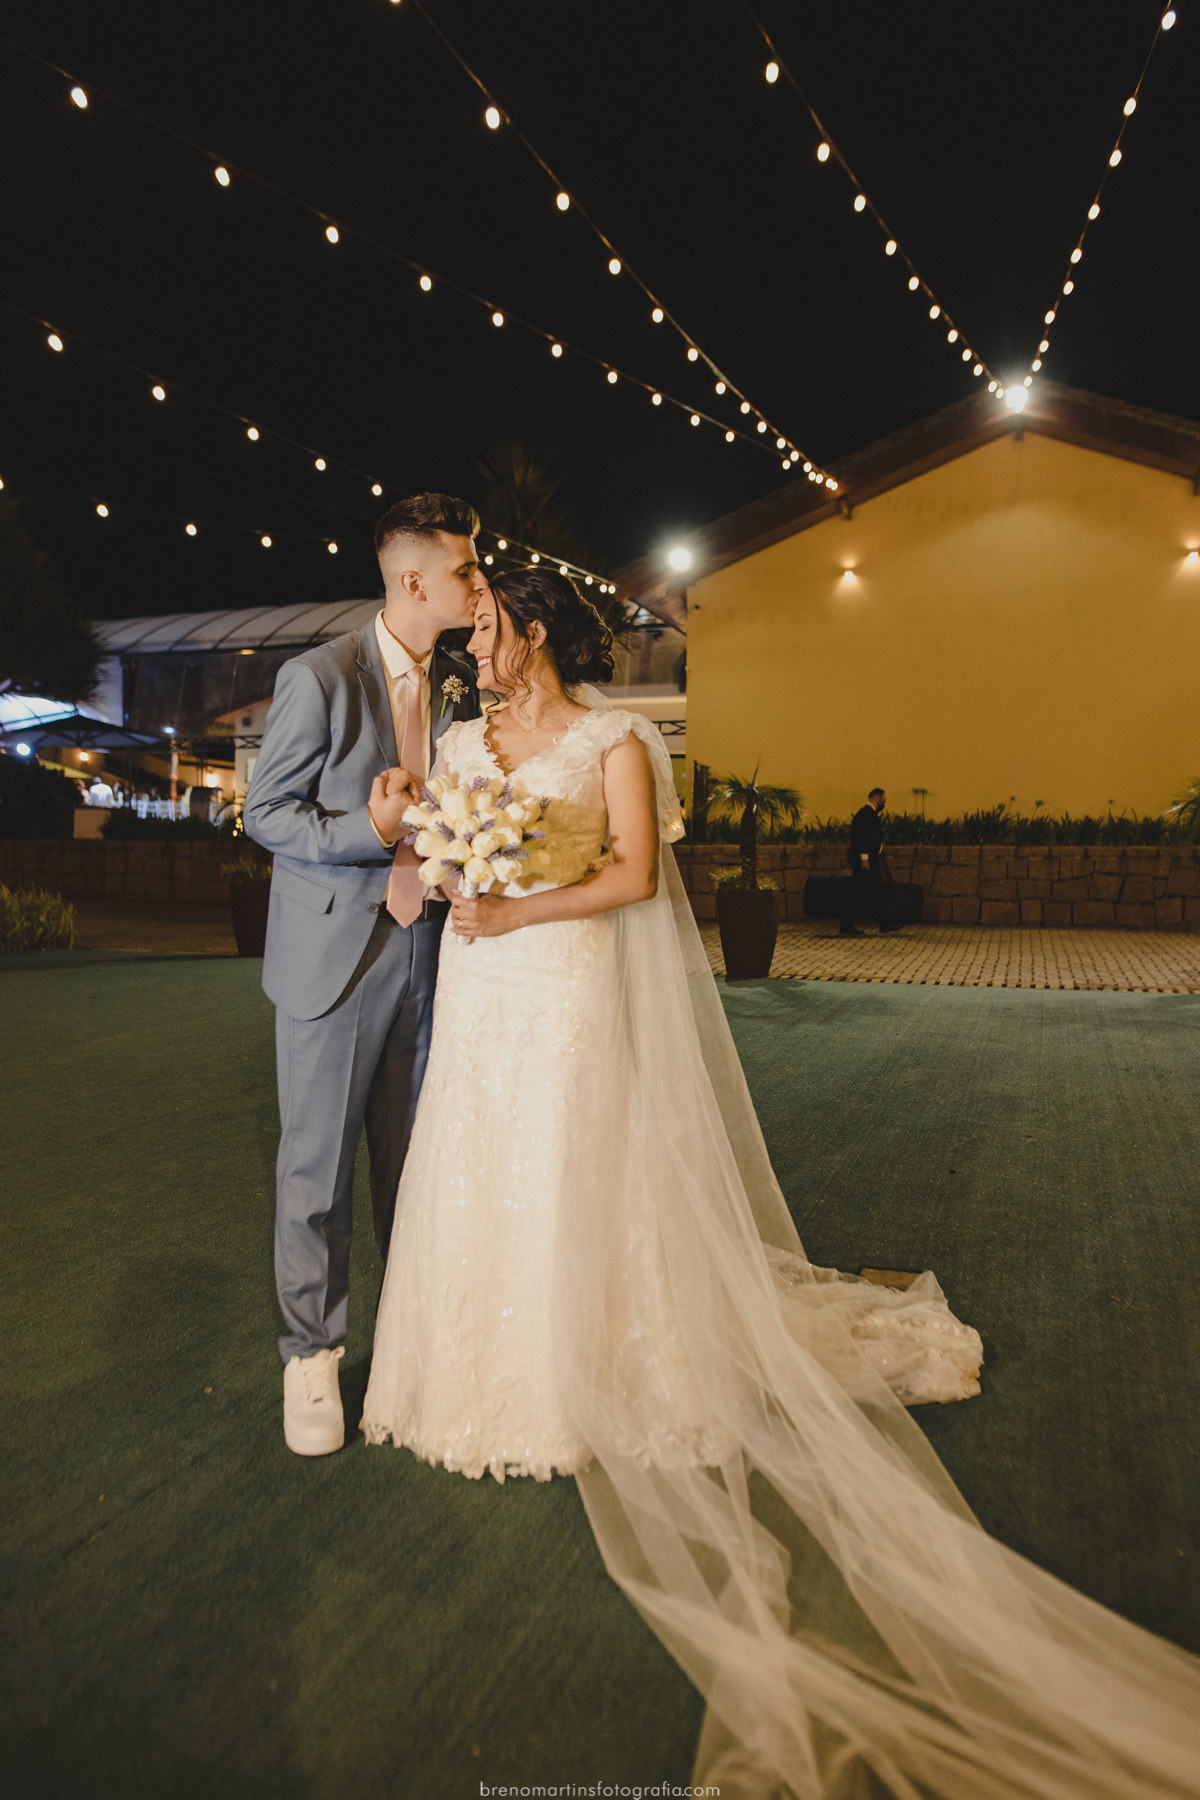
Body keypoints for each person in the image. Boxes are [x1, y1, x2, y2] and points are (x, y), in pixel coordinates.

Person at [362, 567, 1200, 1799]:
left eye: (484, 629)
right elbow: (422, 877)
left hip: (560, 979)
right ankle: (471, 1367)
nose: (467, 649)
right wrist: (407, 834)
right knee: (478, 1160)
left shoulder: (617, 740)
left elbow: (637, 881)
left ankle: (592, 1364)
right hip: (485, 996)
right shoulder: (452, 736)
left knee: (573, 1165)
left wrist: (515, 913)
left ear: (536, 635)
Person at [244, 493, 486, 1457]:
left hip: (436, 950)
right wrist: (369, 831)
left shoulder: (461, 683)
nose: (479, 583)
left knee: (417, 1166)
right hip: (334, 961)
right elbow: (267, 813)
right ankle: (312, 1358)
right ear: (414, 580)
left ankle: (415, 1346)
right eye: (466, 570)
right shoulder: (318, 677)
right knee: (316, 1170)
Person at [839, 784, 902, 937]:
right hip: (865, 862)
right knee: (870, 890)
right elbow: (862, 837)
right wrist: (865, 858)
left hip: (866, 860)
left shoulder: (865, 814)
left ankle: (880, 922)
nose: (884, 804)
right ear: (877, 798)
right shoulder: (867, 814)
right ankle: (882, 923)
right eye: (883, 800)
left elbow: (867, 834)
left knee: (869, 890)